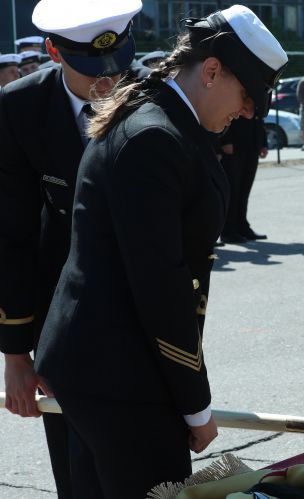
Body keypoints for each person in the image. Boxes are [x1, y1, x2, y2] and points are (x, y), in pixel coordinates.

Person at [33, 5, 287, 497]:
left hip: (108, 368)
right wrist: (196, 404)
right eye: (247, 95)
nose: (249, 112)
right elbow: (161, 287)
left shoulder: (161, 119)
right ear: (211, 72)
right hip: (121, 377)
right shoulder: (154, 137)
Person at [0, 0, 144, 496]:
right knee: (76, 468)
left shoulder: (154, 96)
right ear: (54, 52)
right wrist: (15, 353)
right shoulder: (19, 107)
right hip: (60, 308)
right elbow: (12, 234)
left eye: (117, 64)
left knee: (149, 469)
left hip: (144, 303)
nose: (109, 81)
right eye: (91, 69)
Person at [219, 115, 269, 243]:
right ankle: (228, 231)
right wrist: (225, 140)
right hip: (234, 144)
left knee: (244, 191)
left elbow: (259, 114)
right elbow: (224, 113)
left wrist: (263, 142)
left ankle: (242, 226)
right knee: (233, 191)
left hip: (252, 143)